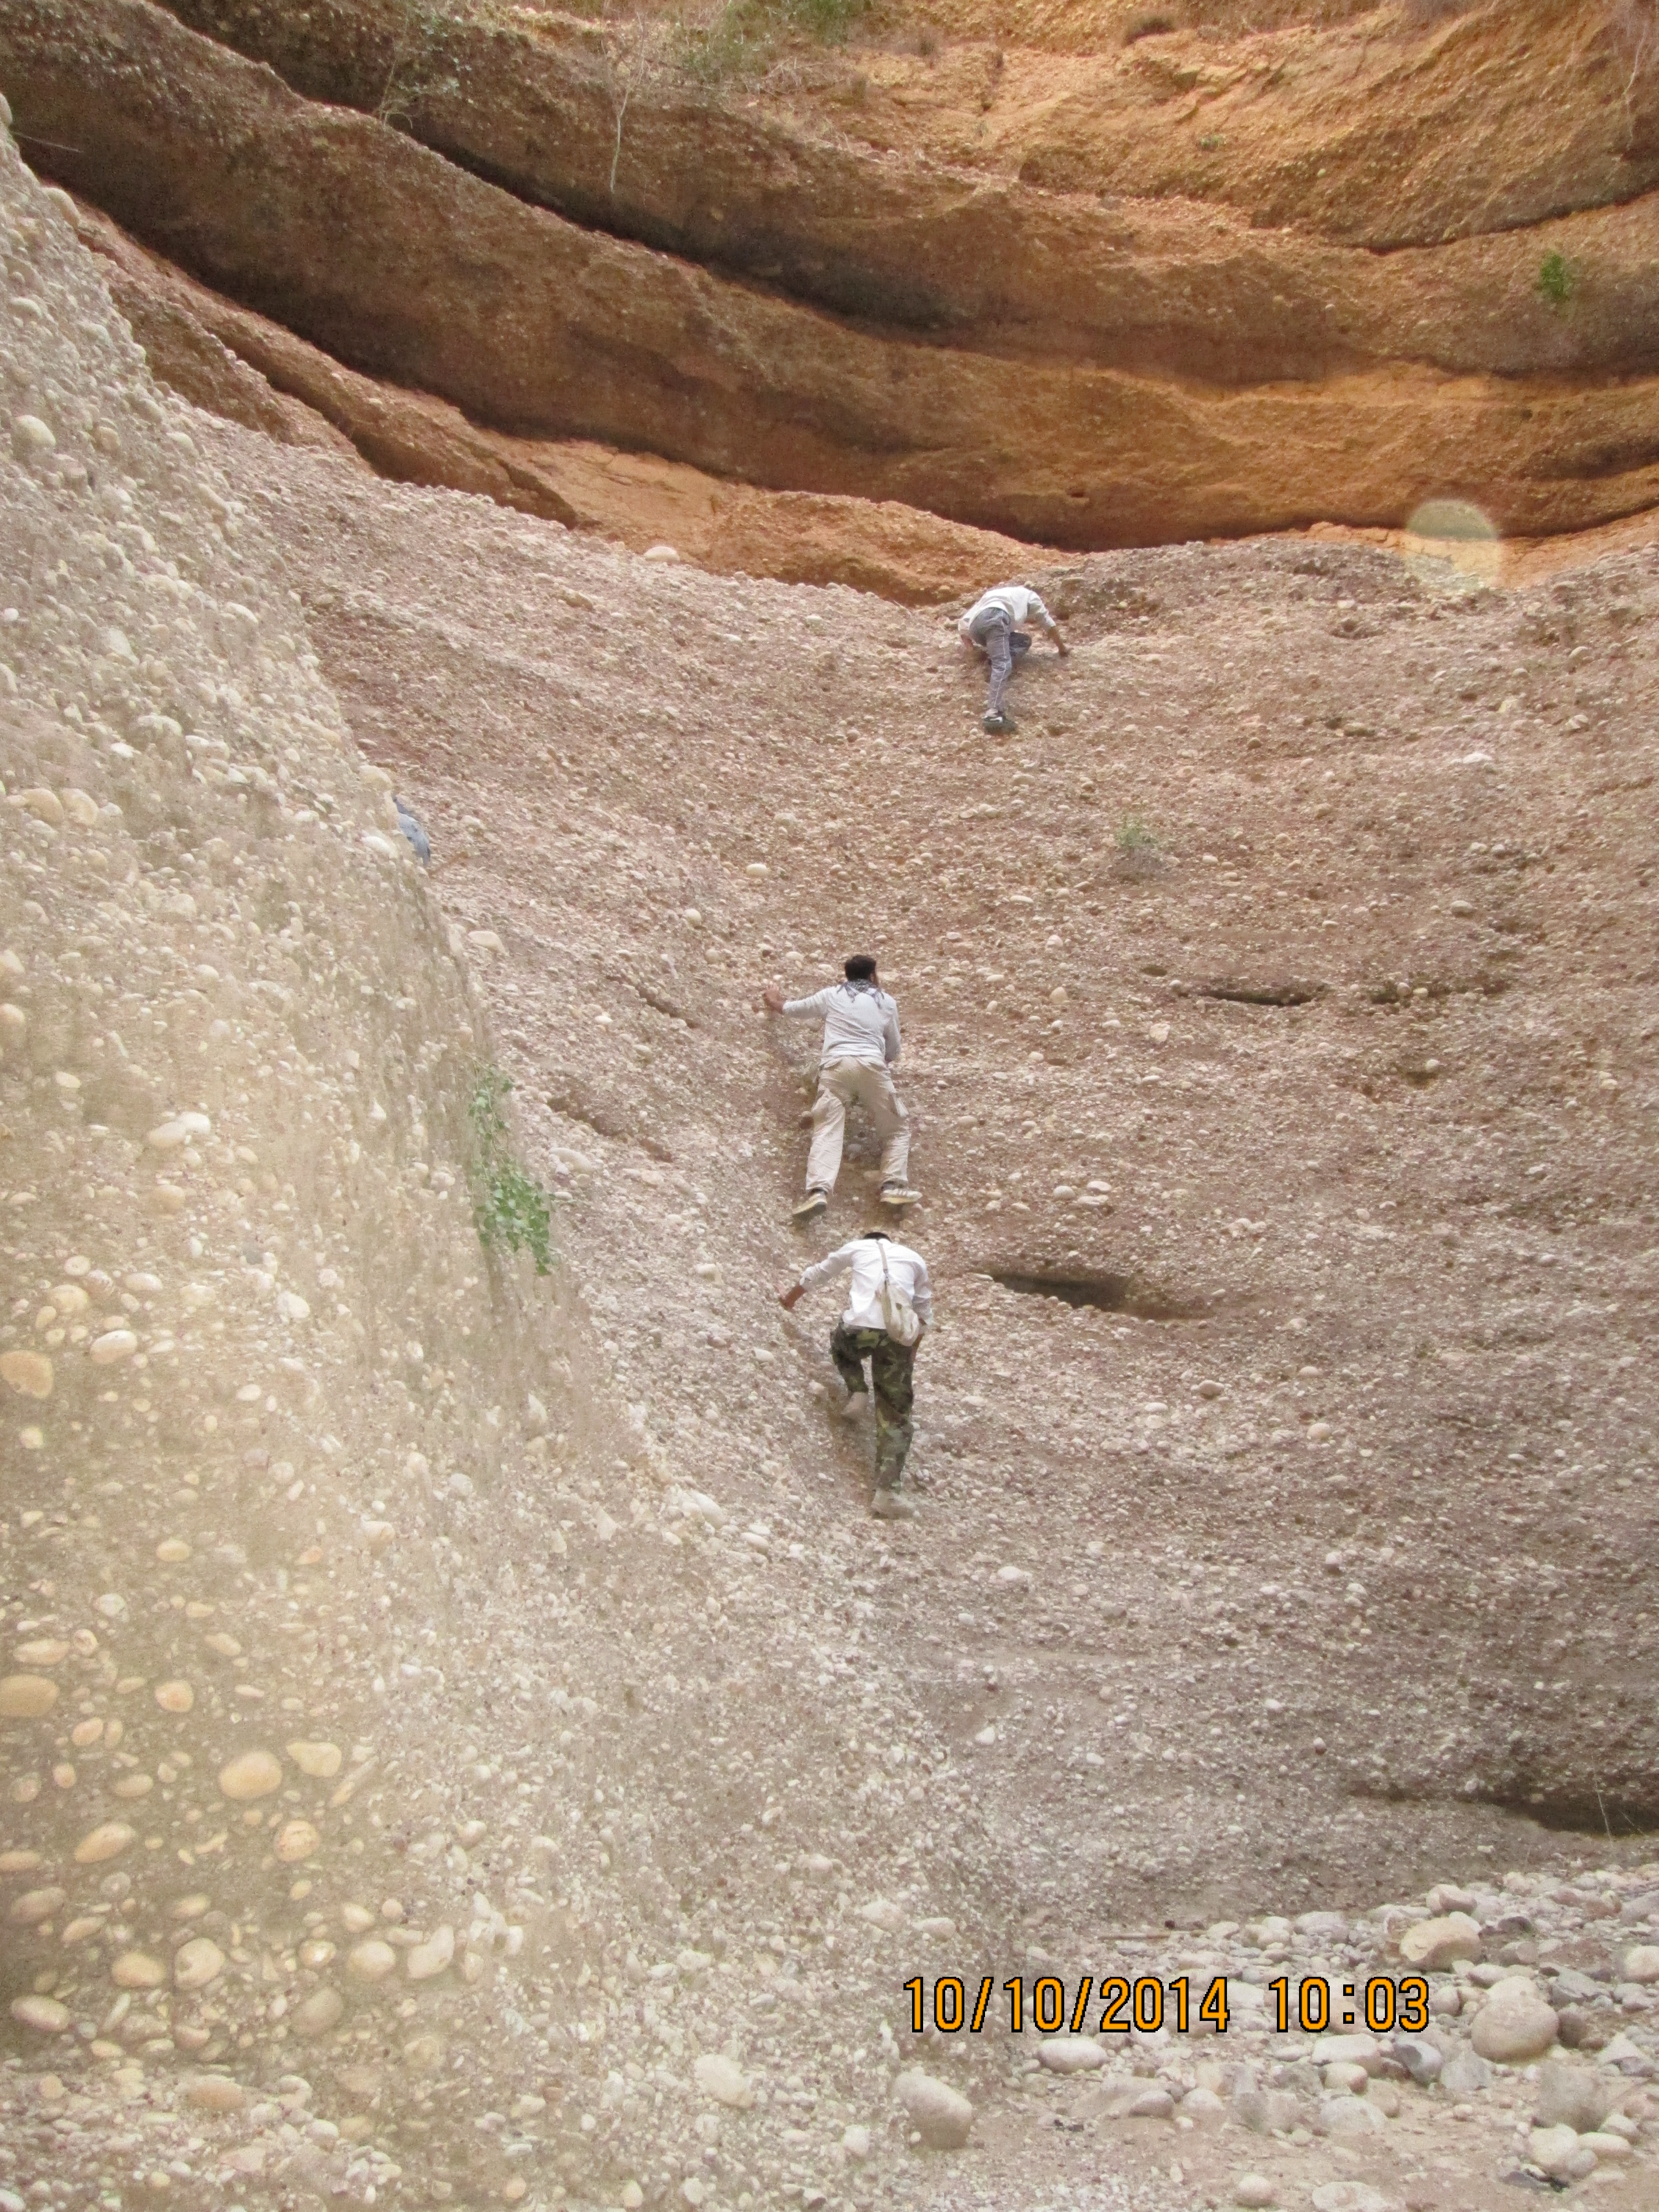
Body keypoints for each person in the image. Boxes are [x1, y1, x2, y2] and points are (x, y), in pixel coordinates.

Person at [780, 1228, 932, 1517]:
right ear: (890, 1242)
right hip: (898, 1339)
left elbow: (819, 1274)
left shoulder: (857, 1248)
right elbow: (924, 1315)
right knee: (895, 1415)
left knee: (840, 1346)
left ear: (867, 1240)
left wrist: (789, 1300)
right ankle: (886, 1493)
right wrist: (909, 1358)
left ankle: (858, 1389)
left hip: (858, 1330)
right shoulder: (914, 1259)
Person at [763, 956, 918, 1220]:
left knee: (827, 1128)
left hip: (835, 1067)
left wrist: (774, 1000)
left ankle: (818, 1191)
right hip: (872, 1066)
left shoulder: (832, 995)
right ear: (873, 975)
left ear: (847, 975)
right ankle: (892, 1185)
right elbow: (893, 1050)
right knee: (897, 1129)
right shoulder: (886, 1001)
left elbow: (795, 1009)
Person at [959, 581, 1068, 734]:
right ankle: (993, 714)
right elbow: (1047, 623)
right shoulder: (1030, 596)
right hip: (997, 618)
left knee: (1023, 641)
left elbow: (963, 626)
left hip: (977, 627)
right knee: (1003, 664)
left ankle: (993, 659)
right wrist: (1062, 649)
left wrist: (973, 651)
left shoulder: (994, 594)